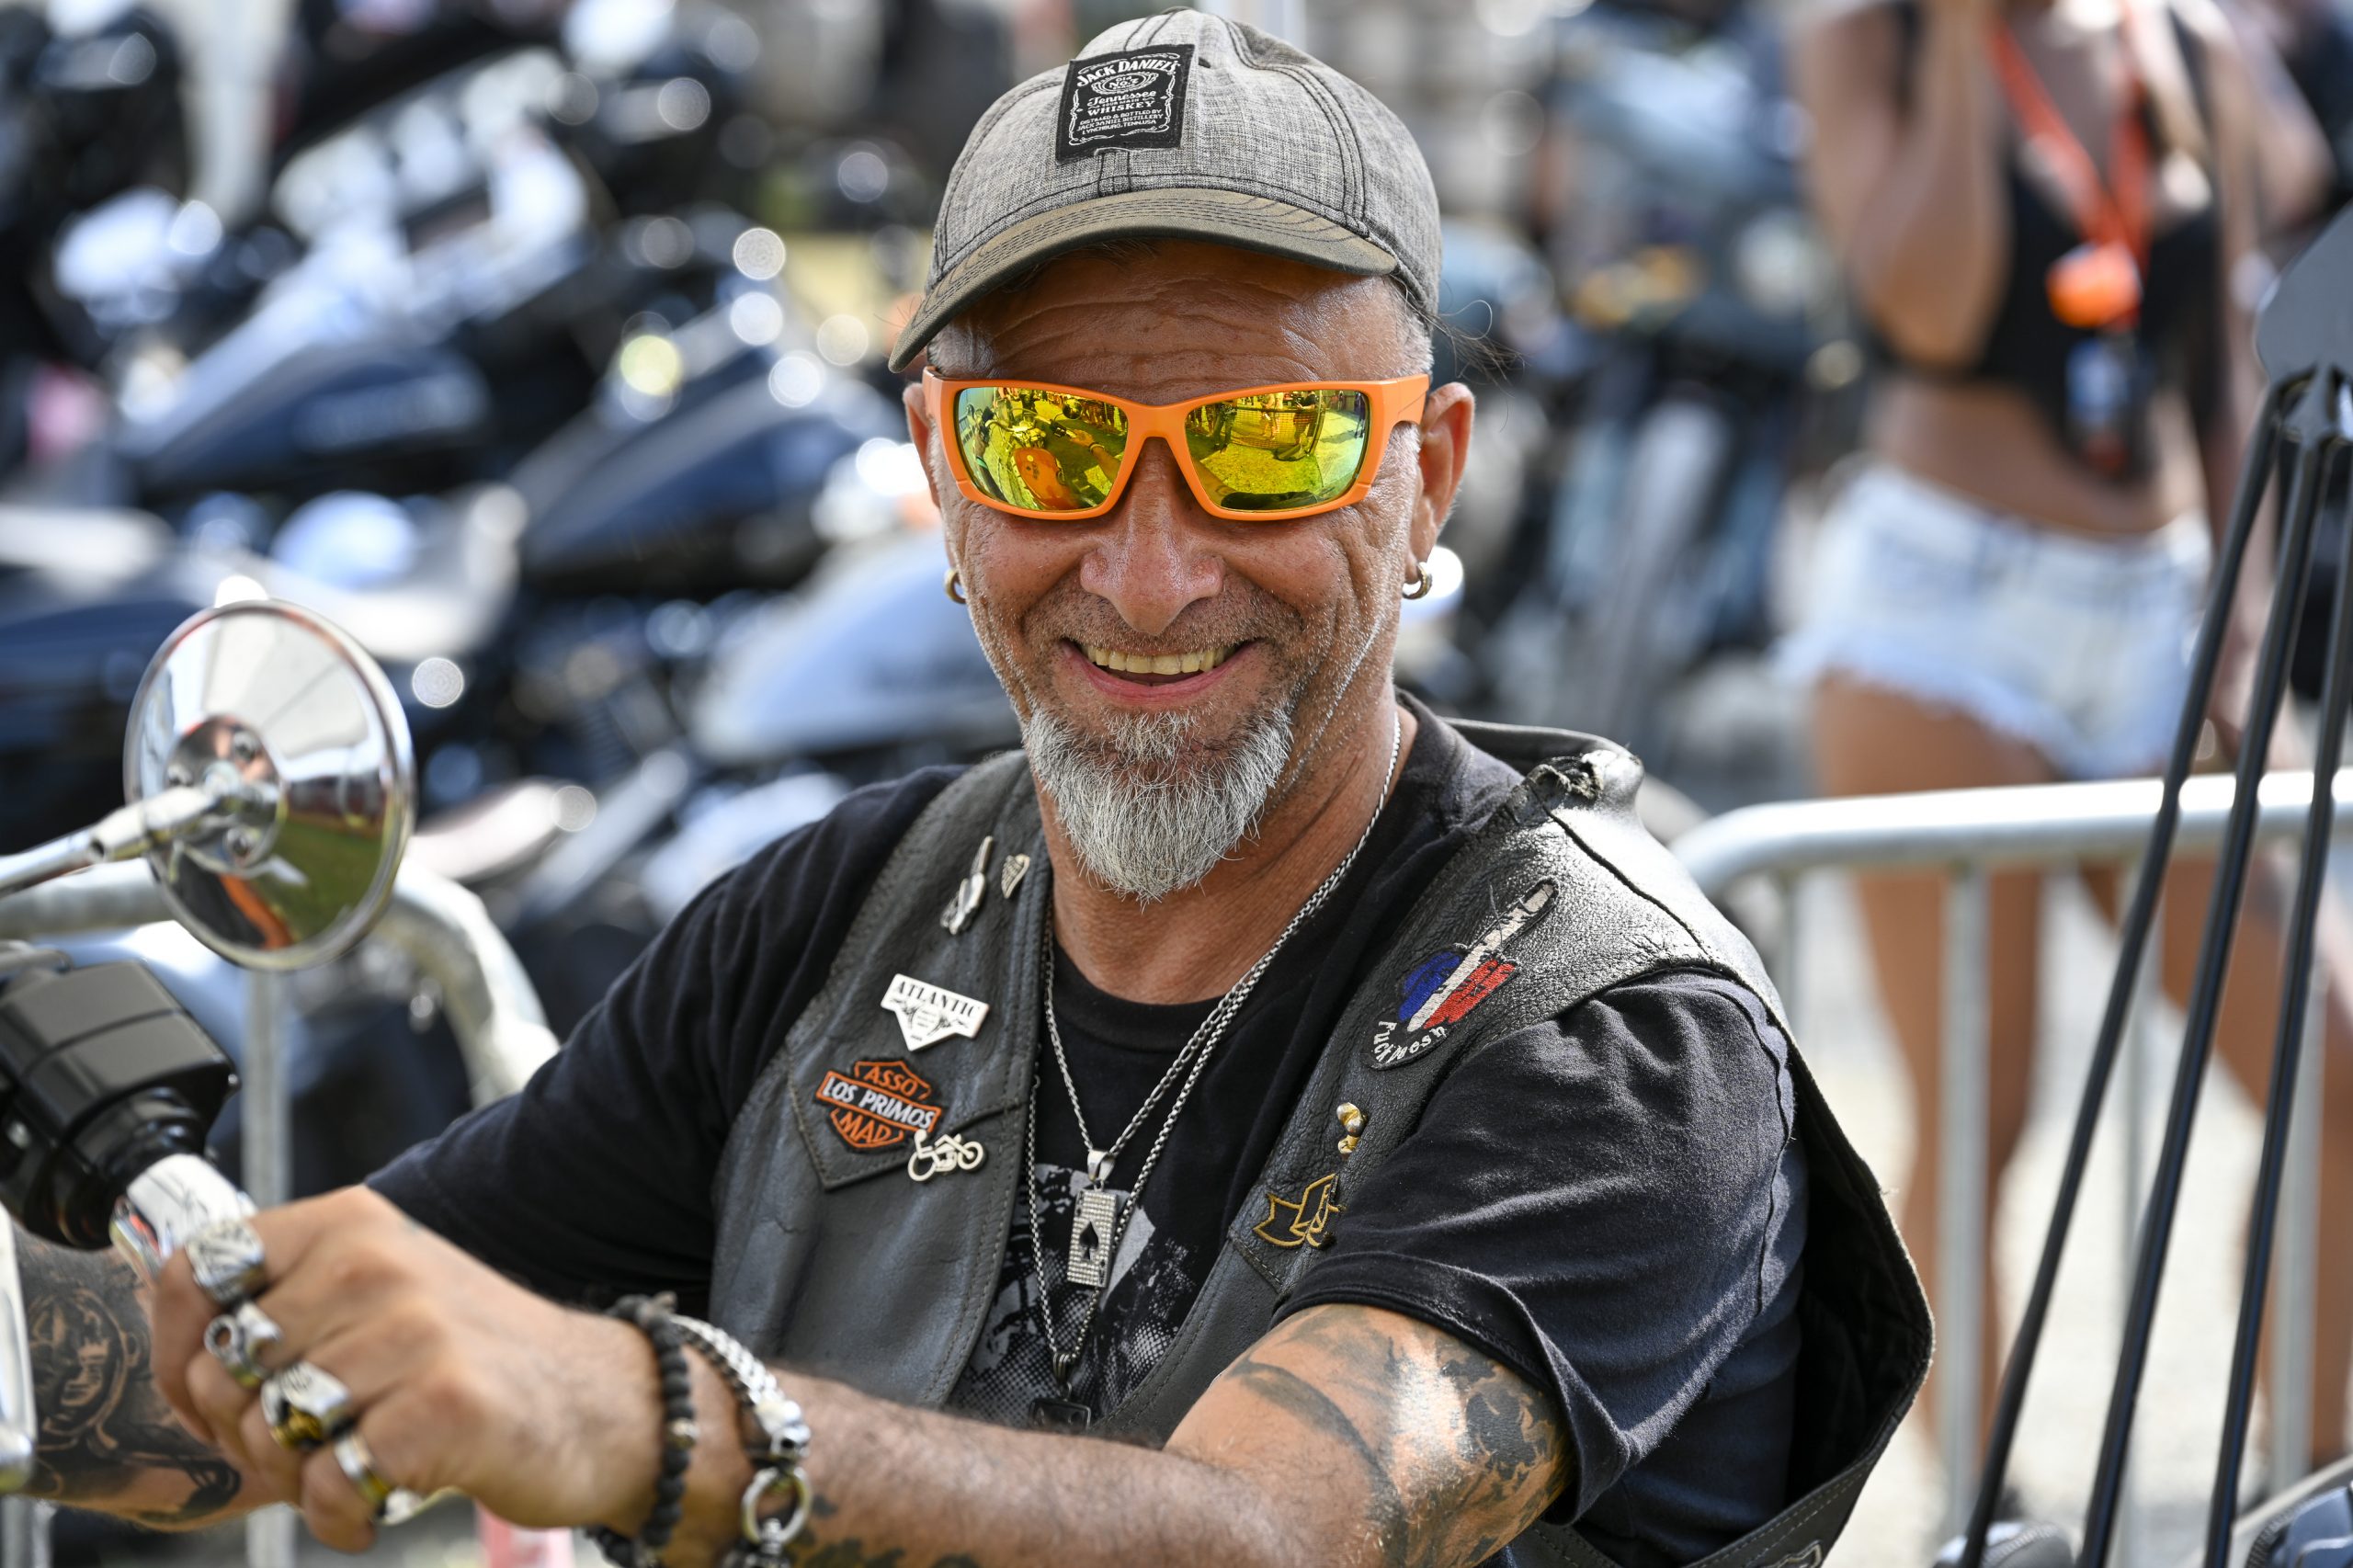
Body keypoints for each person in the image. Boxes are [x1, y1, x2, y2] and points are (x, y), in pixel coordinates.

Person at [16, 15, 1923, 1568]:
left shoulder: (1607, 1031)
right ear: (939, 469)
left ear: (1425, 477)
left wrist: (644, 1419)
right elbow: (223, 1384)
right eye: (1049, 446)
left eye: (1271, 446)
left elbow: (1274, 1536)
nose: (1150, 573)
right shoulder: (835, 918)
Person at [1788, 0, 2351, 1461]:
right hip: (1941, 614)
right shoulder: (1867, 40)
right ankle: (1987, 1507)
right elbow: (1929, 306)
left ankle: (2300, 1487)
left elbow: (2231, 354)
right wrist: (1964, 46)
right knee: (1984, 1107)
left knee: (2333, 1066)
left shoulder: (2181, 40)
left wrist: (2246, 630)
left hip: (2164, 612)